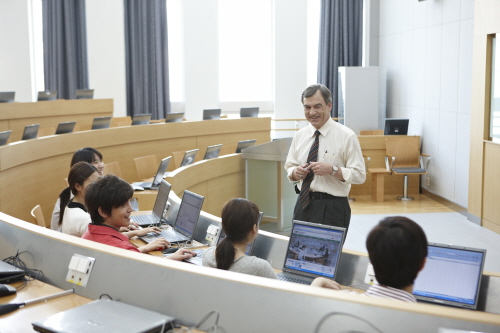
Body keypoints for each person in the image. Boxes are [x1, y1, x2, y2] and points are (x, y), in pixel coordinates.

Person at [284, 84, 365, 232]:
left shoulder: (347, 136)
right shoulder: (300, 135)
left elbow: (359, 175)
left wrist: (333, 170)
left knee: (327, 255)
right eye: (307, 107)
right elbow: (290, 167)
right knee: (298, 253)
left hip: (333, 208)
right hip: (303, 203)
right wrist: (296, 172)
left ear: (329, 106)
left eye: (317, 106)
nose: (312, 112)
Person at [311, 216, 428, 303]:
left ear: (371, 262)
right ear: (422, 264)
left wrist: (318, 281)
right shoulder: (429, 322)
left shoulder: (344, 301)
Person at [83, 174, 195, 261]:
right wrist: (171, 258)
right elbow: (147, 271)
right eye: (123, 205)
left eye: (129, 202)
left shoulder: (87, 235)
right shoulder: (121, 248)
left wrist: (144, 248)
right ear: (102, 211)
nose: (130, 209)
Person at [202, 198, 277, 279]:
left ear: (223, 226)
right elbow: (282, 290)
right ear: (254, 229)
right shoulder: (259, 267)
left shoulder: (207, 255)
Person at [50, 147, 105, 230]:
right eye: (96, 162)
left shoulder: (84, 190)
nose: (101, 165)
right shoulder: (77, 197)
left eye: (100, 161)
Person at [59, 162, 100, 237]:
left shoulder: (71, 204)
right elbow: (104, 245)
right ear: (78, 186)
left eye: (98, 182)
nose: (98, 187)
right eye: (93, 183)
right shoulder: (83, 218)